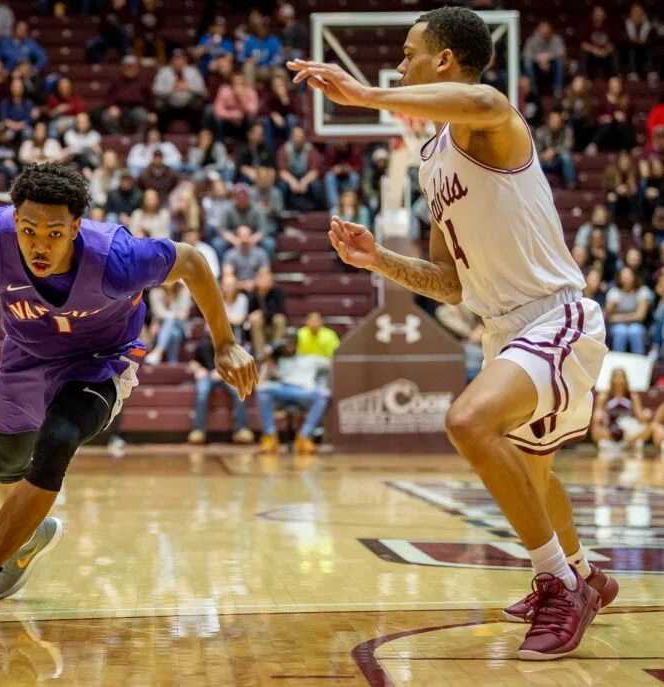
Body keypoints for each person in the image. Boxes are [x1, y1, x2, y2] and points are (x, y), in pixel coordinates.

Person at [288, 6, 616, 660]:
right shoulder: (432, 160)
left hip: (555, 317)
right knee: (534, 473)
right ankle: (582, 573)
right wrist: (377, 258)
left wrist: (366, 94)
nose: (397, 64)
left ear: (442, 59)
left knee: (467, 420)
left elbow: (477, 97)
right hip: (504, 328)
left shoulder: (491, 117)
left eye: (409, 53)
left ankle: (558, 582)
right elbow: (450, 284)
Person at [0, 163, 256, 632]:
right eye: (28, 230)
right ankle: (28, 535)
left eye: (54, 233)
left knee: (59, 437)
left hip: (99, 361)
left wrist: (225, 341)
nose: (39, 244)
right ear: (14, 219)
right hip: (25, 358)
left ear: (76, 228)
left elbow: (190, 261)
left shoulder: (118, 258)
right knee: (7, 465)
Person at [256, 333, 331, 456]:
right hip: (283, 389)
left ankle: (304, 437)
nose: (289, 345)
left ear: (297, 343)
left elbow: (332, 361)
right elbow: (261, 363)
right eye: (286, 342)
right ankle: (270, 437)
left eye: (291, 341)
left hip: (304, 391)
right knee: (263, 389)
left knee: (323, 394)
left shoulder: (311, 359)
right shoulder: (277, 359)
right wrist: (268, 355)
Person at [187, 332, 254, 445]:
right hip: (207, 375)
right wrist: (197, 369)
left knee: (238, 391)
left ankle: (241, 429)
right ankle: (198, 430)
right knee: (202, 392)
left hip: (226, 375)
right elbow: (194, 362)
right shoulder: (202, 346)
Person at [590, 368, 651, 459]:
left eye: (621, 377)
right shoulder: (604, 396)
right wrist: (599, 414)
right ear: (611, 379)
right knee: (595, 428)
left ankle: (625, 444)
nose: (619, 380)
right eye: (616, 377)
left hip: (628, 431)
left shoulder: (632, 396)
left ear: (625, 379)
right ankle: (618, 444)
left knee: (648, 427)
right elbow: (597, 412)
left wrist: (645, 414)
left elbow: (640, 415)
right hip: (610, 429)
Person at [605, 266, 652, 353]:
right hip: (617, 325)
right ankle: (617, 361)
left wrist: (618, 318)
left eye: (628, 275)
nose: (626, 278)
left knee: (635, 331)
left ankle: (639, 360)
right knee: (620, 331)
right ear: (619, 278)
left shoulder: (642, 291)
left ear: (634, 277)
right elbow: (608, 316)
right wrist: (611, 306)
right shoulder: (614, 292)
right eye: (623, 276)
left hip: (637, 324)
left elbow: (640, 316)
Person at [247, 266, 286, 357]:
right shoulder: (253, 293)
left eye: (268, 277)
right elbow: (249, 314)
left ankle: (274, 349)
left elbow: (281, 311)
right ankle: (260, 355)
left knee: (279, 319)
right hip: (259, 326)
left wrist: (262, 313)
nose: (266, 280)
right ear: (257, 279)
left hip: (273, 323)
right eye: (262, 277)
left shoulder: (277, 292)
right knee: (256, 321)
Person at [535, 111, 577, 190]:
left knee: (566, 156)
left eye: (557, 121)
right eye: (553, 121)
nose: (555, 123)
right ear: (548, 121)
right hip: (544, 161)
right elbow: (536, 150)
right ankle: (537, 185)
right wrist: (544, 155)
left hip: (559, 161)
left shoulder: (567, 130)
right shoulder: (540, 131)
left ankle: (571, 183)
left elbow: (568, 145)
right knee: (536, 161)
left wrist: (554, 151)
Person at [522, 20, 566, 96]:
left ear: (551, 30)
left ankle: (557, 89)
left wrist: (548, 57)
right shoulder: (532, 39)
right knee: (528, 63)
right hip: (536, 65)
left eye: (546, 29)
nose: (544, 31)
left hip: (551, 65)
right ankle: (533, 89)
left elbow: (561, 53)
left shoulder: (556, 39)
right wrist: (539, 58)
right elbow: (526, 54)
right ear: (538, 30)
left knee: (559, 62)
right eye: (542, 29)